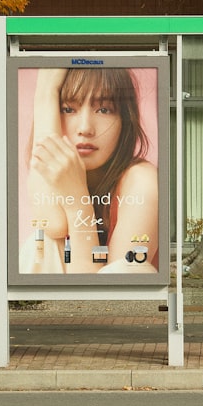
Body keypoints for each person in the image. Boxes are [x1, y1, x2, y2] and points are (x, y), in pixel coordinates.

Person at [21, 67, 159, 274]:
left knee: (128, 268)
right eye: (68, 109)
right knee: (44, 244)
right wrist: (45, 93)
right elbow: (55, 224)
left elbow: (106, 292)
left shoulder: (143, 180)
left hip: (118, 306)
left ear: (125, 120)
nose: (85, 128)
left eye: (104, 109)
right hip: (63, 302)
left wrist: (78, 201)